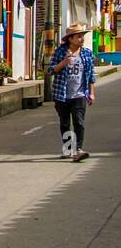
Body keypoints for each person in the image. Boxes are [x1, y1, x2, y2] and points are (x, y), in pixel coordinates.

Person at [47, 23, 96, 162]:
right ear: (70, 39)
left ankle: (79, 150)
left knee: (79, 122)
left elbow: (91, 75)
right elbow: (51, 70)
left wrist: (91, 93)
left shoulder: (87, 53)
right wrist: (63, 63)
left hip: (80, 94)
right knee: (65, 123)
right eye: (78, 36)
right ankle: (68, 149)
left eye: (82, 36)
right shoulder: (60, 52)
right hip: (61, 94)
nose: (82, 39)